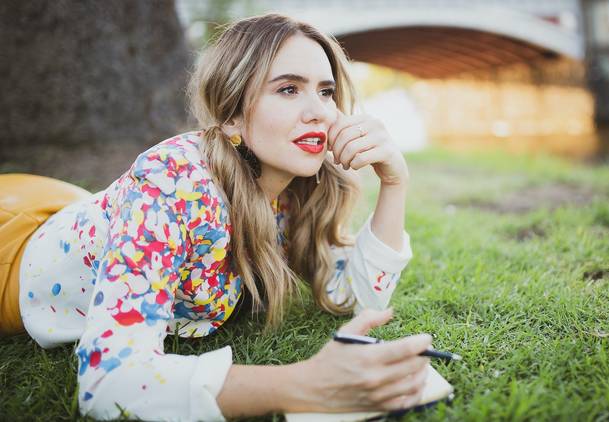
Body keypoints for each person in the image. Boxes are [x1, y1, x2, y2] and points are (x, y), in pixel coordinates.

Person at [0, 13, 433, 421]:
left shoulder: (298, 185)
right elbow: (107, 382)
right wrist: (303, 383)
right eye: (288, 89)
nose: (320, 111)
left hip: (70, 207)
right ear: (231, 116)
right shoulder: (173, 179)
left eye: (325, 91)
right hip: (13, 246)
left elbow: (357, 297)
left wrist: (396, 182)